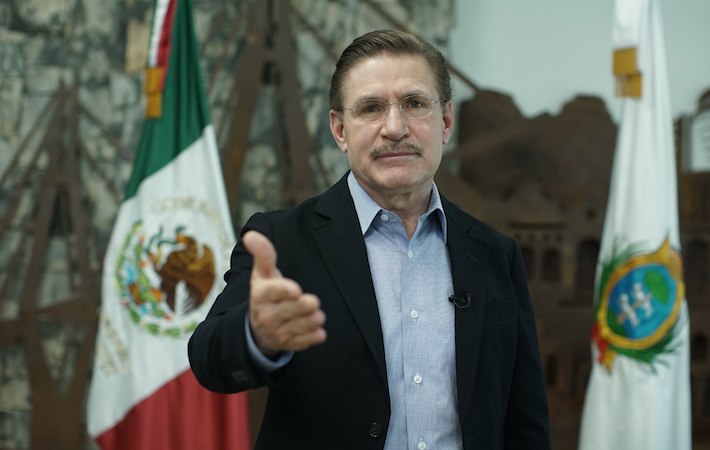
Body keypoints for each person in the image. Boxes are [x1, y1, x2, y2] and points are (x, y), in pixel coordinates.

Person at [188, 29, 551, 450]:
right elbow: (208, 359)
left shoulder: (494, 252)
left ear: (446, 121)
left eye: (414, 104)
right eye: (371, 108)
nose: (394, 128)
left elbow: (525, 420)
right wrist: (256, 334)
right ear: (340, 130)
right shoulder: (282, 241)